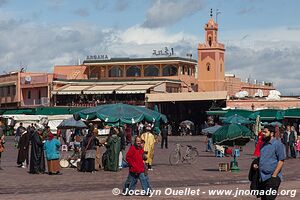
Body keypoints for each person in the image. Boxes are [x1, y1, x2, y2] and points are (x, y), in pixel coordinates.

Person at [259, 125, 285, 200]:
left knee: (269, 198)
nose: (263, 133)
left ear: (272, 134)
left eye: (265, 132)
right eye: (263, 132)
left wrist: (274, 175)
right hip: (263, 177)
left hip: (272, 177)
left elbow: (281, 160)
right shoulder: (263, 145)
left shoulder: (277, 144)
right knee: (264, 198)